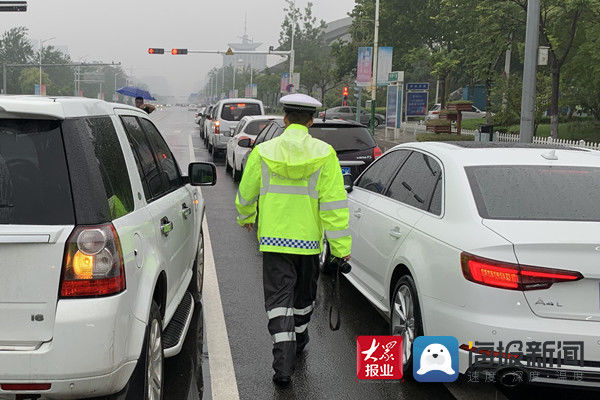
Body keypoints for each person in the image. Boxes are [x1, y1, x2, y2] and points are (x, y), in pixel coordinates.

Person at [235, 93, 351, 388]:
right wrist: (340, 249)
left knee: (278, 302)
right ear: (311, 121)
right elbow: (334, 207)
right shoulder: (325, 154)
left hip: (274, 242)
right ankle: (299, 341)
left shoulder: (263, 151)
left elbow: (247, 192)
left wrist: (246, 216)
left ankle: (282, 365)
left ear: (284, 118)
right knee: (303, 299)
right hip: (309, 244)